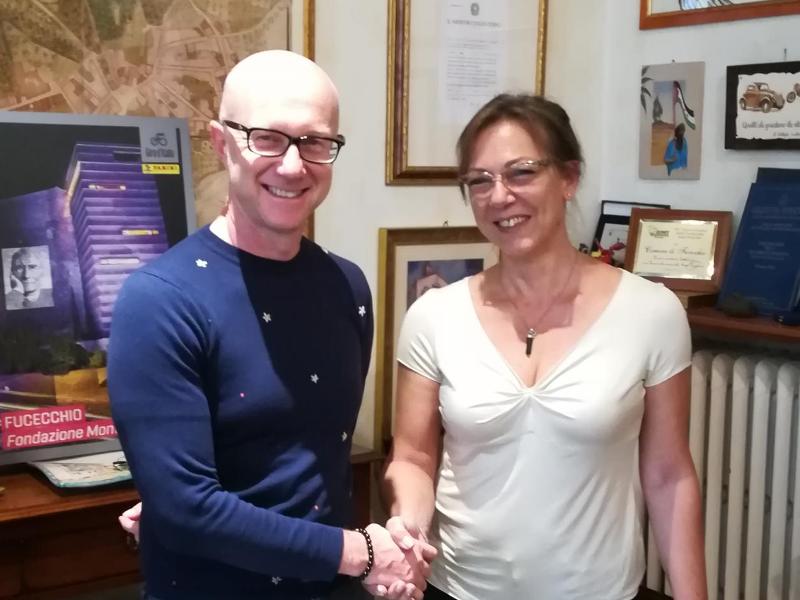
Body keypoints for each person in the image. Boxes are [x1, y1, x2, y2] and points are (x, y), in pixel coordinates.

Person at [108, 50, 434, 600]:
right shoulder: (159, 301)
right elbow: (188, 509)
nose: (292, 165)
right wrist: (362, 553)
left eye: (315, 142)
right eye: (267, 138)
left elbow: (313, 458)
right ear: (221, 143)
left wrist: (389, 548)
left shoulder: (347, 286)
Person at [381, 94, 707, 599]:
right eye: (480, 181)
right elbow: (414, 458)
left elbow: (669, 475)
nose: (499, 196)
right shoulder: (434, 315)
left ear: (568, 177)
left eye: (521, 173)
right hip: (457, 588)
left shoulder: (651, 313)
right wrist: (410, 531)